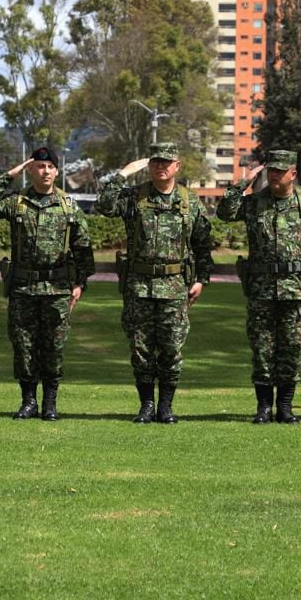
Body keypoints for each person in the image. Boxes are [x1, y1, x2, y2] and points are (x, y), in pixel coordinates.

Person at [97, 142, 214, 424]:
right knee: (141, 350)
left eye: (166, 162)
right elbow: (104, 204)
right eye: (155, 162)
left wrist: (201, 279)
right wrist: (123, 174)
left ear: (177, 166)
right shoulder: (133, 197)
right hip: (139, 285)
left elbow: (202, 243)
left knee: (172, 349)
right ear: (149, 165)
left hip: (175, 287)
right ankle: (147, 405)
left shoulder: (190, 202)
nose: (161, 167)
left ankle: (166, 406)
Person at [0, 147, 93, 421]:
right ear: (31, 170)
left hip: (57, 290)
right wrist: (11, 174)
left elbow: (83, 248)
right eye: (39, 166)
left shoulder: (68, 206)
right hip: (24, 289)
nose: (45, 171)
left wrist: (79, 285)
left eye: (50, 166)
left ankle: (50, 403)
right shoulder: (17, 203)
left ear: (57, 171)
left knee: (54, 347)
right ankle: (28, 401)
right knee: (24, 347)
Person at [216, 149, 301, 424]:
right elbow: (224, 212)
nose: (275, 176)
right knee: (262, 349)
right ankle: (263, 408)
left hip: (296, 289)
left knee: (293, 348)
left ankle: (286, 406)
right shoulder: (254, 203)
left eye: (281, 171)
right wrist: (245, 181)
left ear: (293, 173)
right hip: (262, 289)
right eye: (271, 171)